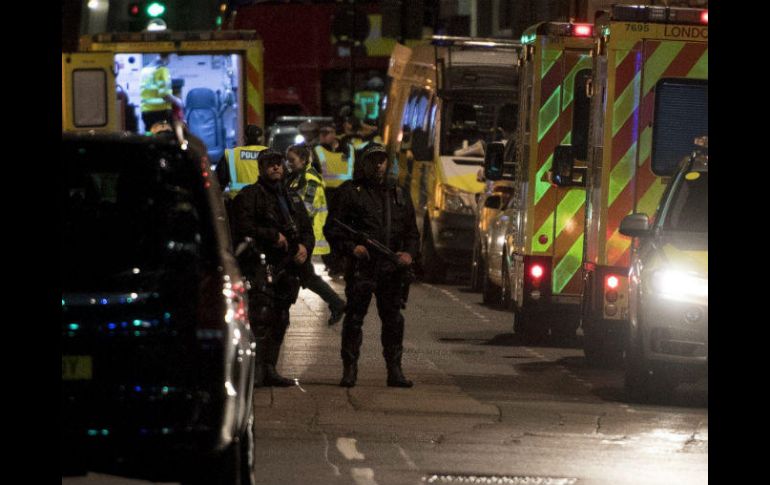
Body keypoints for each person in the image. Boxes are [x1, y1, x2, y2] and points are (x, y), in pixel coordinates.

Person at [323, 143, 419, 388]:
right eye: (373, 160)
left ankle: (394, 370)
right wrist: (351, 248)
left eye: (382, 160)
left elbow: (412, 233)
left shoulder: (399, 194)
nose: (378, 165)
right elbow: (332, 228)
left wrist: (408, 254)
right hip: (362, 267)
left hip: (391, 269)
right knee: (354, 319)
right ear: (363, 163)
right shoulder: (350, 191)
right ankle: (350, 369)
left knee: (394, 321)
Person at [231, 149, 315, 387]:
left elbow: (307, 230)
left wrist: (304, 248)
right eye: (270, 164)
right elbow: (242, 226)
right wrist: (271, 235)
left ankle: (270, 368)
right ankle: (255, 371)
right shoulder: (250, 196)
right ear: (261, 168)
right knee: (261, 319)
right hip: (260, 265)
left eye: (278, 163)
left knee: (280, 318)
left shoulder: (291, 197)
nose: (276, 168)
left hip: (287, 267)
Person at [285, 144, 347, 325]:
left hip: (306, 235)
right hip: (299, 235)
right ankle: (336, 303)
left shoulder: (310, 180)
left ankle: (336, 303)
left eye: (292, 160)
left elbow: (306, 208)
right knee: (303, 275)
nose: (288, 164)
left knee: (300, 274)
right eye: (287, 160)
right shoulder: (295, 177)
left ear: (303, 160)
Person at [215, 124, 267, 197]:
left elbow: (218, 184)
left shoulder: (231, 154)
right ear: (261, 138)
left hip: (238, 201)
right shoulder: (269, 153)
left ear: (245, 138)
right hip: (264, 201)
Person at [139, 53, 173, 132]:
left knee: (149, 135)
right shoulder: (162, 70)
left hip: (146, 112)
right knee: (164, 139)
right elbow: (165, 95)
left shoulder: (144, 70)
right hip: (161, 112)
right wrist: (179, 102)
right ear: (168, 56)